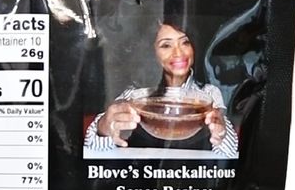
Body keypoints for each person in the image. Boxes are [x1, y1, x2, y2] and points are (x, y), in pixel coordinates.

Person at [84, 20, 239, 157]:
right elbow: (91, 153)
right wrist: (103, 129)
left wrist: (222, 133)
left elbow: (231, 155)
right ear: (152, 53)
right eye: (166, 45)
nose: (178, 53)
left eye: (185, 42)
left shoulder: (209, 94)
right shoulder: (135, 96)